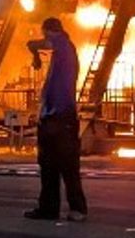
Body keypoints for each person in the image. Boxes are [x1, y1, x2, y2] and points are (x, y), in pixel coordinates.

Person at [24, 16, 87, 222]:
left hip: (61, 117)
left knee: (67, 165)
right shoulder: (62, 53)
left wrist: (34, 51)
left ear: (49, 31)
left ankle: (76, 208)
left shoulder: (63, 44)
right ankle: (49, 209)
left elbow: (36, 43)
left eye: (45, 33)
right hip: (53, 117)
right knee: (49, 167)